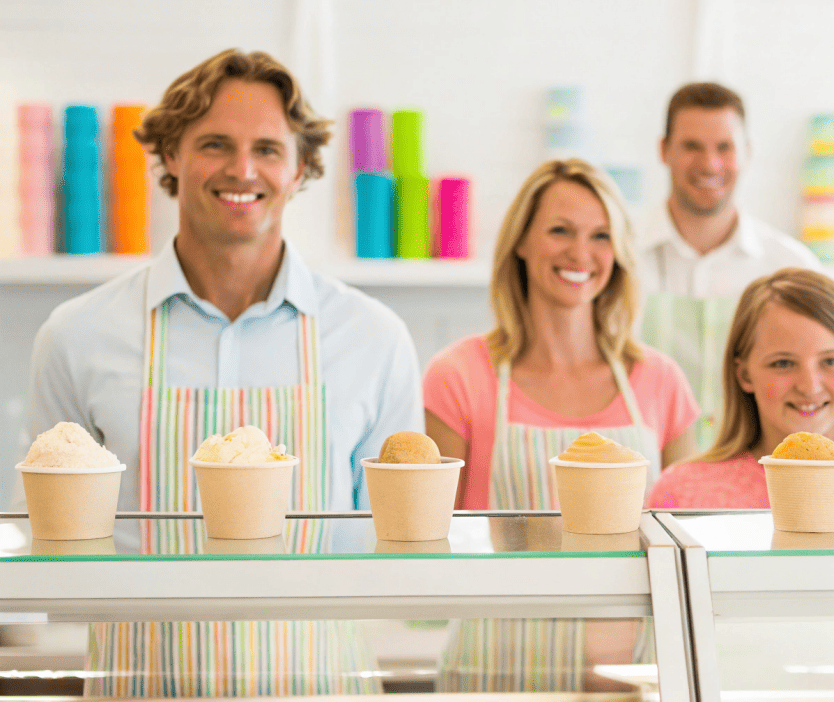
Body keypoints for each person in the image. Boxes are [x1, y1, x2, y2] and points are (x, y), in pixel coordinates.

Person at [24, 49, 423, 696]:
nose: (243, 170)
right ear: (171, 157)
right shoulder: (76, 335)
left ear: (300, 169)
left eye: (268, 148)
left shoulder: (373, 338)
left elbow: (405, 555)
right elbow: (50, 551)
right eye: (214, 143)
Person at [423, 158, 699, 691]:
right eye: (559, 230)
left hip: (635, 671)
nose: (580, 253)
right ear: (520, 242)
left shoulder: (660, 380)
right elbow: (433, 540)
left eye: (601, 236)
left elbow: (684, 543)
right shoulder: (458, 375)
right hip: (495, 664)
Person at [648, 267, 834, 691]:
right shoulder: (681, 494)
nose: (809, 385)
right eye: (783, 363)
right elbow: (664, 654)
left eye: (831, 361)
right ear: (744, 374)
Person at [641, 82, 821, 451]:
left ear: (747, 153)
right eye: (692, 146)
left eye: (725, 147)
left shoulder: (790, 266)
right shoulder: (616, 257)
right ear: (664, 151)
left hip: (758, 483)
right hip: (638, 477)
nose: (709, 164)